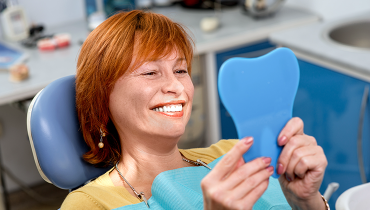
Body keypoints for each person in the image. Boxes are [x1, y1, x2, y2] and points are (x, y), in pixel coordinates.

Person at [61, 10, 328, 210]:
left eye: (180, 70)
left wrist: (307, 202)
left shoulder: (235, 154)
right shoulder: (87, 205)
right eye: (151, 72)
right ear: (102, 97)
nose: (176, 86)